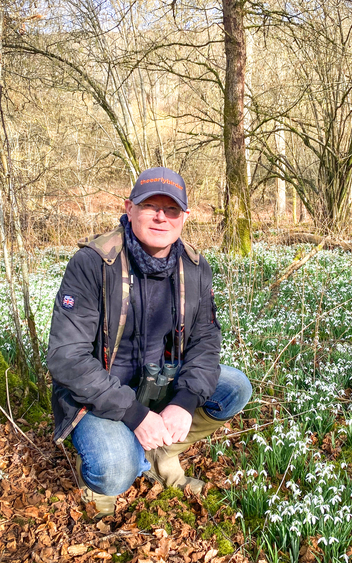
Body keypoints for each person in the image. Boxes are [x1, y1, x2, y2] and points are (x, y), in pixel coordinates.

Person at [47, 167, 252, 517]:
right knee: (115, 467)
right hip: (101, 395)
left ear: (185, 216)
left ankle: (162, 453)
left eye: (171, 209)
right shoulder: (93, 263)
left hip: (160, 384)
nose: (161, 217)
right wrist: (135, 414)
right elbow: (67, 358)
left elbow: (206, 342)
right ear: (129, 209)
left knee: (235, 388)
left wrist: (184, 402)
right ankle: (102, 482)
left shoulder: (195, 267)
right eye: (149, 206)